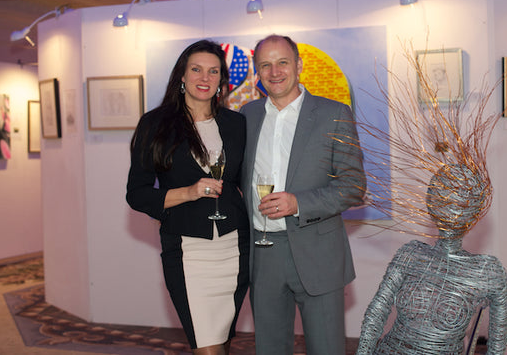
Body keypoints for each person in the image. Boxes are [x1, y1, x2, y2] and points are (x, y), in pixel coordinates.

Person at [240, 34, 366, 355]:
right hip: (263, 253)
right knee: (269, 349)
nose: (274, 72)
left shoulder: (333, 114)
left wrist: (298, 203)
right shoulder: (247, 115)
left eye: (282, 62)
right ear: (257, 72)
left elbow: (354, 186)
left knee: (326, 348)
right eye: (265, 65)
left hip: (317, 252)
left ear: (298, 65)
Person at [126, 39, 249, 355]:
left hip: (235, 248)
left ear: (222, 80)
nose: (204, 78)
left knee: (222, 341)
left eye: (213, 71)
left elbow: (245, 182)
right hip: (187, 250)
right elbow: (137, 194)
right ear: (182, 75)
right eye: (196, 69)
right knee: (207, 346)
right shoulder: (155, 124)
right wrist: (189, 192)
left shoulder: (236, 124)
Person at [356, 164, 507, 354]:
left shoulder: (487, 271)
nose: (452, 210)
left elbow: (497, 344)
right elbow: (376, 314)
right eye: (446, 200)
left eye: (459, 202)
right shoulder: (410, 254)